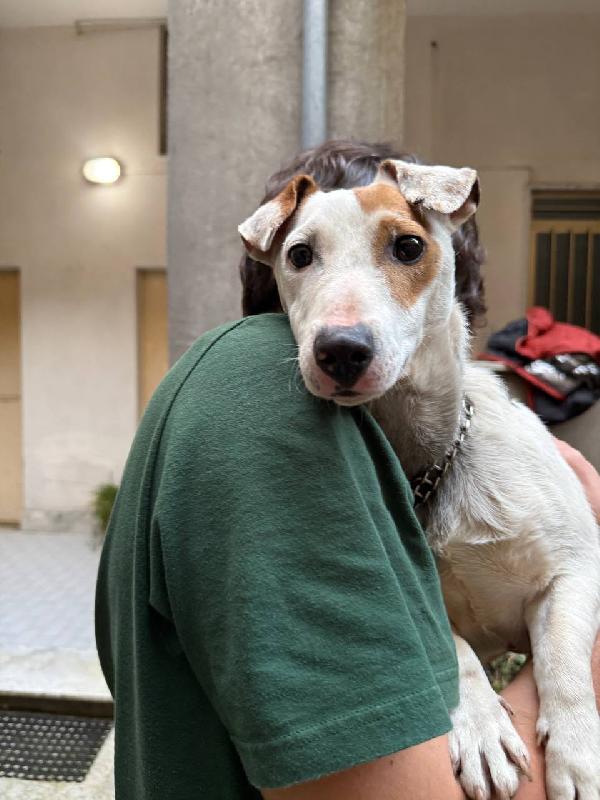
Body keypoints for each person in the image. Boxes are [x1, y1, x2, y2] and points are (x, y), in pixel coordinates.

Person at [96, 139, 600, 800]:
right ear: (272, 259)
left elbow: (559, 572)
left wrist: (562, 695)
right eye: (305, 255)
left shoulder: (466, 451)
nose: (348, 320)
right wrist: (462, 680)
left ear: (449, 260)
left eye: (405, 248)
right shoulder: (258, 406)